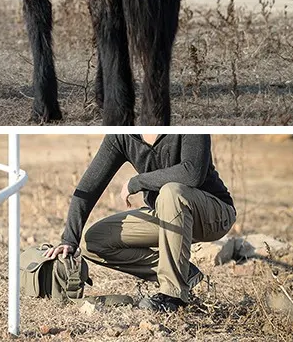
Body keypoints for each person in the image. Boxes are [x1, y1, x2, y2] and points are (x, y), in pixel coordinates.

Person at [44, 134, 236, 312]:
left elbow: (192, 173)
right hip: (166, 213)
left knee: (171, 191)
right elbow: (89, 187)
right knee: (93, 241)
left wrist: (136, 182)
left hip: (213, 214)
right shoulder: (122, 134)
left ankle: (172, 296)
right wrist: (69, 239)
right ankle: (184, 273)